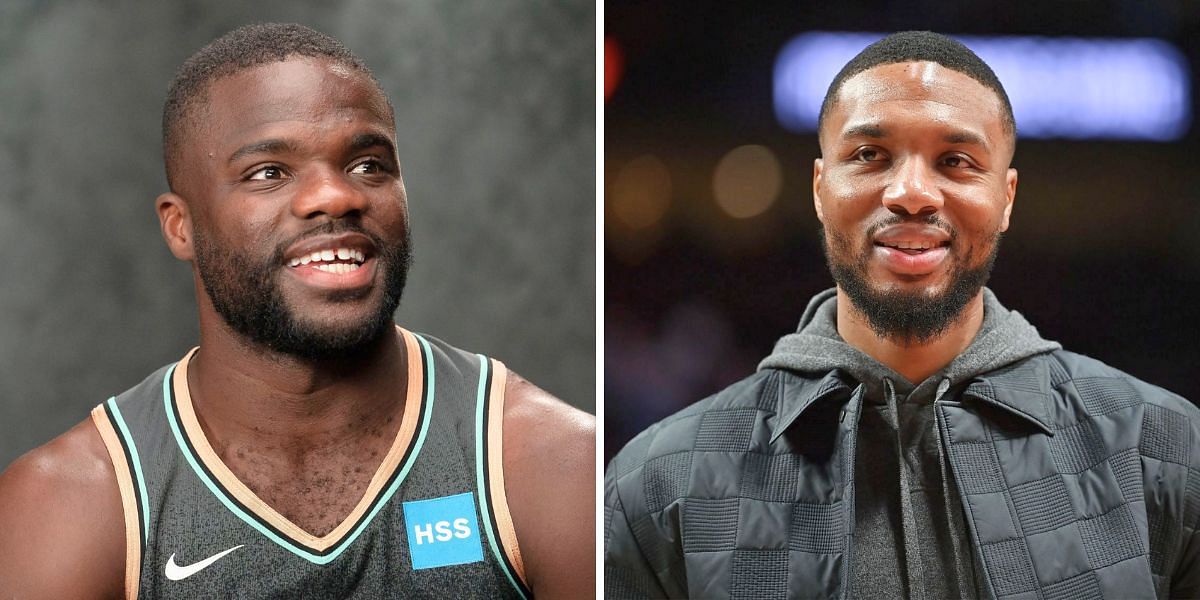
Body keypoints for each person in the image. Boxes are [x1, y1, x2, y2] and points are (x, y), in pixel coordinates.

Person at [0, 23, 594, 599]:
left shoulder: (551, 466)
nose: (336, 196)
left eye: (368, 164)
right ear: (180, 227)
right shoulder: (71, 506)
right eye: (269, 173)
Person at [604, 30, 1200, 599]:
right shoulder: (656, 487)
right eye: (869, 154)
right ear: (819, 188)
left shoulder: (1167, 451)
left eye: (957, 160)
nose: (911, 193)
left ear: (1007, 197)